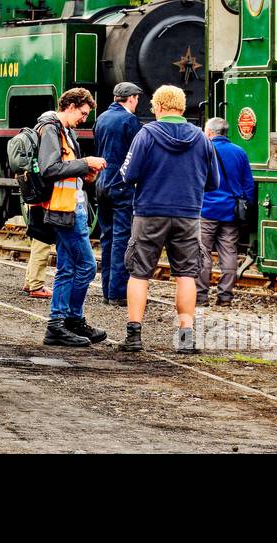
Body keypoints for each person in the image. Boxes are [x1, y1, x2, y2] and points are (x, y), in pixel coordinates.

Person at [117, 85, 218, 354]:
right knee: (186, 275)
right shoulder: (201, 138)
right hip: (187, 215)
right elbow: (214, 182)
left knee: (139, 273)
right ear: (182, 108)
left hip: (149, 212)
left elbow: (129, 174)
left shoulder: (147, 134)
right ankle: (186, 338)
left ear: (158, 107)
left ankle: (134, 336)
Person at [35, 88, 107, 346]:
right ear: (72, 106)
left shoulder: (65, 132)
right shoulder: (51, 129)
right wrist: (85, 162)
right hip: (62, 209)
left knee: (67, 267)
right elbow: (49, 168)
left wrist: (85, 175)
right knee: (86, 266)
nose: (85, 119)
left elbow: (65, 170)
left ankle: (62, 323)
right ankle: (67, 321)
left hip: (70, 206)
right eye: (84, 113)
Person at [93, 82, 143, 306]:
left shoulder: (101, 117)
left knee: (107, 237)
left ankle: (106, 291)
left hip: (102, 182)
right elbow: (138, 151)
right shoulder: (129, 121)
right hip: (122, 185)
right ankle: (118, 292)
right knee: (122, 238)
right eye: (137, 99)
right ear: (131, 98)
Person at [198, 117, 256, 307]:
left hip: (206, 210)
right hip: (231, 211)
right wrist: (247, 207)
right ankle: (225, 297)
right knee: (229, 253)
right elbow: (248, 185)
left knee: (203, 253)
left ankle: (201, 296)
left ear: (209, 132)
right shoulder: (239, 152)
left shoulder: (202, 151)